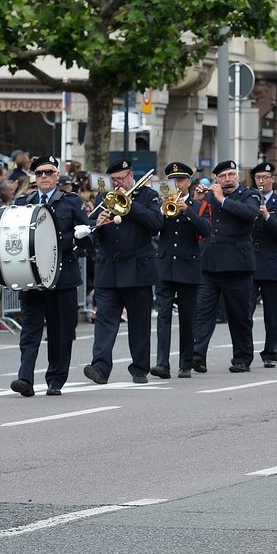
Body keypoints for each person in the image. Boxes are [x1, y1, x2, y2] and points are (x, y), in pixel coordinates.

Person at [8, 156, 90, 396]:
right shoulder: (24, 202)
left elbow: (87, 241)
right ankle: (25, 378)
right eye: (40, 173)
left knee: (60, 331)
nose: (44, 176)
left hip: (62, 277)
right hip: (32, 277)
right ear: (35, 176)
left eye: (48, 172)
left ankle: (55, 379)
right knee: (30, 330)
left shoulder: (71, 202)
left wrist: (80, 236)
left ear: (57, 176)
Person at [82, 159, 162, 385]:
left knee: (139, 322)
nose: (116, 184)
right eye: (113, 180)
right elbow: (92, 232)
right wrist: (96, 223)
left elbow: (156, 223)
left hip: (137, 268)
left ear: (130, 176)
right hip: (108, 269)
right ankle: (100, 366)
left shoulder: (147, 196)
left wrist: (128, 205)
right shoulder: (102, 197)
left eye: (120, 179)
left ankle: (139, 368)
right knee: (105, 322)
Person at [192, 161, 262, 373]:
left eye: (231, 174)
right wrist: (197, 202)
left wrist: (222, 200)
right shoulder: (210, 197)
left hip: (237, 266)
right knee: (203, 312)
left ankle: (242, 357)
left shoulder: (249, 195)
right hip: (210, 264)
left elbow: (250, 214)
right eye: (223, 176)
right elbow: (199, 222)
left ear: (237, 175)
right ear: (217, 180)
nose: (228, 179)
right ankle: (197, 354)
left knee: (239, 315)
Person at [151, 162, 210, 379]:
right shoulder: (160, 204)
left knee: (187, 317)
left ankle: (185, 363)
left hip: (189, 267)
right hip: (165, 266)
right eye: (173, 180)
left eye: (181, 180)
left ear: (188, 182)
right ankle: (162, 363)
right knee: (163, 316)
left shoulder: (199, 206)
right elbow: (153, 228)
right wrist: (161, 211)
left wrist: (188, 212)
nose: (177, 184)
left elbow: (205, 231)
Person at [250, 162, 277, 368]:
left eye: (265, 177)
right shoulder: (247, 199)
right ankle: (244, 352)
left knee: (272, 313)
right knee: (244, 312)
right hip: (249, 263)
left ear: (272, 179)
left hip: (272, 263)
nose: (261, 181)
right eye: (258, 178)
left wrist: (267, 216)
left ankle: (270, 351)